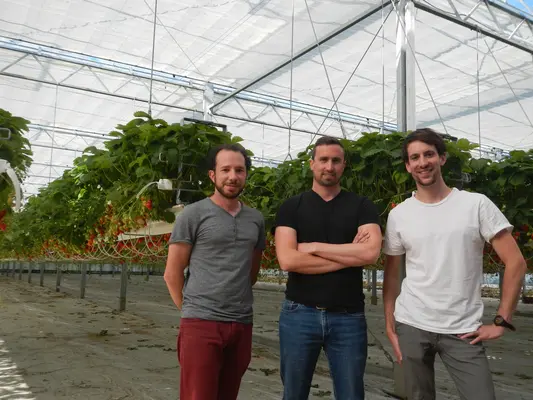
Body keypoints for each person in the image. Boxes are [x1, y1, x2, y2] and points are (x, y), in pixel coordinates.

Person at [382, 128, 527, 400]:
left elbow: (516, 262)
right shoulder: (399, 215)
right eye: (415, 157)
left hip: (464, 329)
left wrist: (502, 321)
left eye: (429, 154)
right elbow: (391, 275)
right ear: (407, 166)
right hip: (411, 324)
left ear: (442, 158)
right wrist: (390, 323)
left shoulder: (476, 204)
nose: (422, 162)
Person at [273, 136, 382, 400]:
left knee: (351, 394)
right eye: (323, 160)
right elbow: (288, 261)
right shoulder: (291, 207)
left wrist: (312, 247)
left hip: (348, 316)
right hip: (299, 313)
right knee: (294, 393)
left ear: (344, 165)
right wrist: (349, 254)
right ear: (312, 164)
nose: (329, 166)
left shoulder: (362, 206)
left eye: (336, 161)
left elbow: (370, 253)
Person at [164, 143, 266, 400]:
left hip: (241, 323)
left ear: (246, 175)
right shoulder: (192, 214)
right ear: (213, 175)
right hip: (201, 323)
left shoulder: (255, 219)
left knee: (228, 394)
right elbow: (172, 273)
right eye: (226, 170)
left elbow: (251, 272)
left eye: (239, 170)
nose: (233, 176)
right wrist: (191, 311)